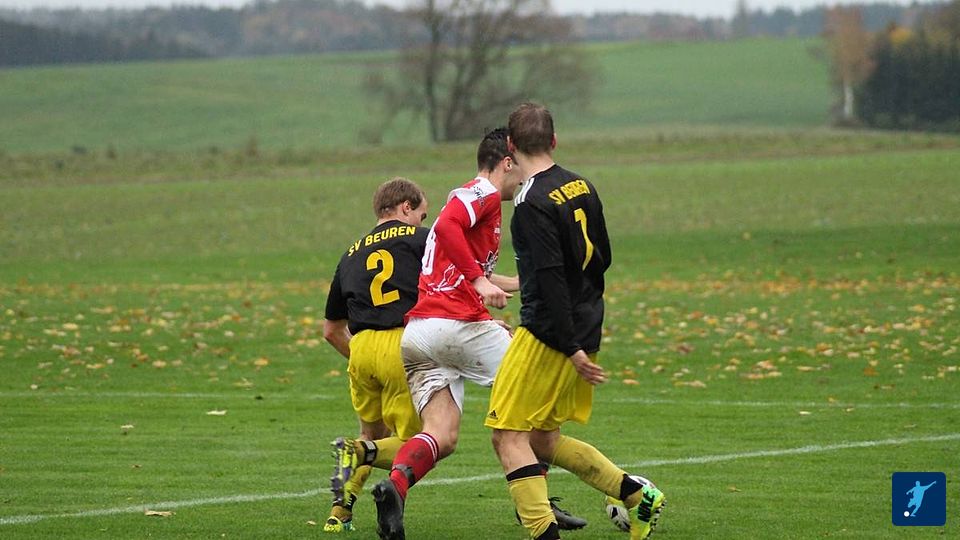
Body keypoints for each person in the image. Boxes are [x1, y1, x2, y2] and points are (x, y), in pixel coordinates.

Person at [371, 128, 585, 540]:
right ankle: (539, 505)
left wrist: (512, 283)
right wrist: (479, 284)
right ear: (507, 161)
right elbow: (449, 227)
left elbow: (460, 267)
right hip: (455, 326)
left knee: (442, 434)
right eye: (521, 165)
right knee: (537, 395)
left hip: (420, 334)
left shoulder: (481, 204)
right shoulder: (480, 193)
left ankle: (394, 487)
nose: (526, 175)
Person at [484, 102, 666, 540]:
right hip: (584, 324)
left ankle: (543, 533)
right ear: (554, 140)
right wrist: (581, 333)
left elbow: (547, 279)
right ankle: (637, 496)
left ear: (509, 145)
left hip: (550, 335)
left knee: (508, 435)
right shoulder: (582, 185)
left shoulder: (530, 201)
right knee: (542, 438)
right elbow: (603, 258)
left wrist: (569, 346)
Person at [322, 177, 430, 533]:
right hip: (402, 343)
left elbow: (331, 330)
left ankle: (339, 513)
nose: (423, 221)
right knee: (418, 446)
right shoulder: (422, 239)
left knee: (371, 435)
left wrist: (361, 357)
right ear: (406, 207)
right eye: (422, 214)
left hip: (362, 347)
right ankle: (391, 519)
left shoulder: (350, 254)